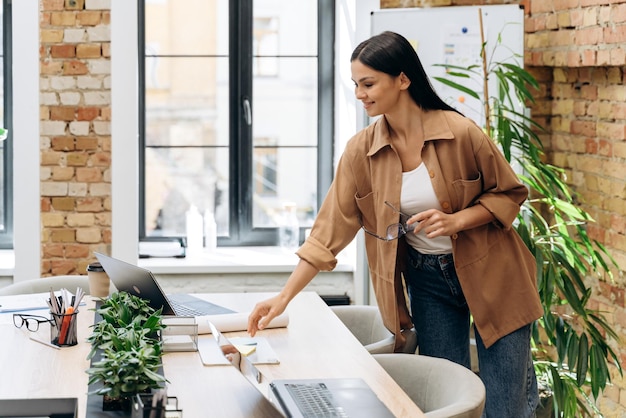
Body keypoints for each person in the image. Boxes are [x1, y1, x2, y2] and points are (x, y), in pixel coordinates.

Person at [247, 31, 543, 418]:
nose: (360, 93)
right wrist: (283, 298)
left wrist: (456, 219)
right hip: (428, 282)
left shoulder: (460, 133)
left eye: (368, 83)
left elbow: (508, 194)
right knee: (449, 400)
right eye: (356, 84)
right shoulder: (360, 152)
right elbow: (327, 233)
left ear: (402, 79)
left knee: (505, 408)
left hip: (495, 274)